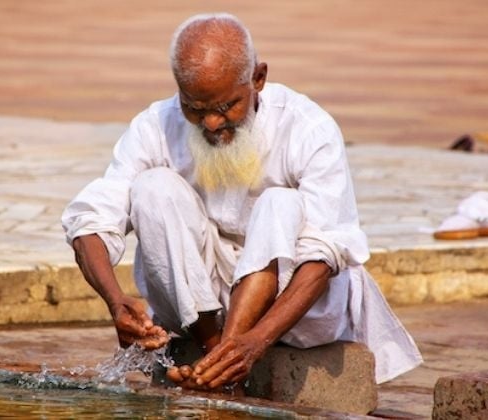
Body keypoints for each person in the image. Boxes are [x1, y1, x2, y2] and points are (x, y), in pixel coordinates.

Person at [62, 12, 422, 391]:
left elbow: (325, 253)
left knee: (279, 204)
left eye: (225, 107)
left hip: (297, 308)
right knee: (151, 188)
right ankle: (217, 353)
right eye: (195, 109)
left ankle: (225, 356)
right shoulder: (155, 124)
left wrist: (255, 342)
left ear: (258, 79)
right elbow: (92, 219)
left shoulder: (308, 127)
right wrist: (115, 301)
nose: (212, 124)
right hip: (197, 306)